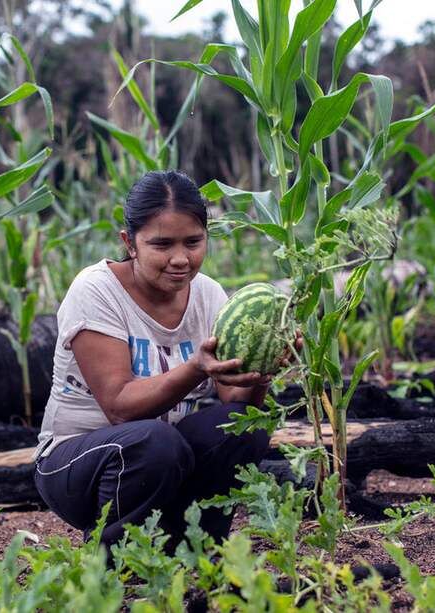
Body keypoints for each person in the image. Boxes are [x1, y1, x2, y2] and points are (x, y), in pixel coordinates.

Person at [33, 170, 274, 551]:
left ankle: (198, 548)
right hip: (77, 466)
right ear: (130, 242)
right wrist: (194, 367)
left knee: (243, 426)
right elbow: (120, 408)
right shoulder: (96, 290)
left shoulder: (208, 295)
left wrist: (264, 369)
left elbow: (237, 401)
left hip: (164, 462)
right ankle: (113, 558)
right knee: (154, 441)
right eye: (162, 244)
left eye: (193, 242)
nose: (180, 258)